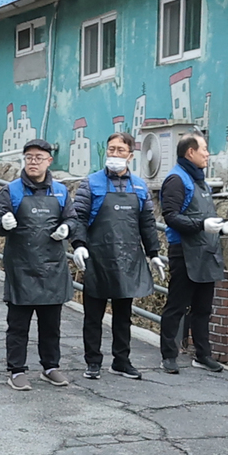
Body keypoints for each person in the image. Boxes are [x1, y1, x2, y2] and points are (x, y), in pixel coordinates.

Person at [72, 130, 164, 380]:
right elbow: (78, 217)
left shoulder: (139, 186)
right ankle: (93, 361)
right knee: (93, 316)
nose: (114, 154)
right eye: (111, 149)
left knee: (123, 317)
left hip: (128, 259)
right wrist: (78, 244)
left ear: (130, 156)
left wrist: (154, 253)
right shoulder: (91, 183)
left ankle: (121, 361)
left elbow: (146, 222)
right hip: (97, 259)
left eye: (120, 150)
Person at [0, 136, 77, 390]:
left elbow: (73, 219)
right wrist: (2, 223)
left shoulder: (60, 191)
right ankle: (16, 370)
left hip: (52, 268)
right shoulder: (11, 191)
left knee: (52, 324)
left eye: (38, 158)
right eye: (29, 158)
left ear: (49, 161)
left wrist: (66, 228)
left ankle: (50, 367)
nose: (33, 162)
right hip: (22, 268)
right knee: (18, 325)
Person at [158, 133, 228, 374]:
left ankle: (203, 354)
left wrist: (221, 227)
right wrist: (201, 226)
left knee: (203, 308)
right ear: (190, 152)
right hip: (184, 252)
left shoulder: (201, 180)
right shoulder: (176, 179)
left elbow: (203, 215)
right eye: (204, 149)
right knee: (176, 306)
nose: (207, 153)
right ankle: (169, 355)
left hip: (206, 251)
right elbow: (171, 217)